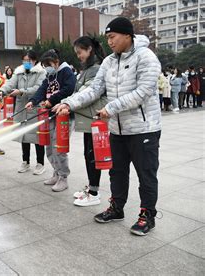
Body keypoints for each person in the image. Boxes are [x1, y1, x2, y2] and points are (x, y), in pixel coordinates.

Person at [54, 17, 162, 236]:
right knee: (117, 172)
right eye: (108, 38)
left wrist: (111, 108)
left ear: (127, 35)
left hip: (143, 129)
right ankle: (116, 208)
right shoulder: (109, 61)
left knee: (146, 174)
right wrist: (69, 103)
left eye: (112, 37)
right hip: (116, 129)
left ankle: (147, 215)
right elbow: (94, 89)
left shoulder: (146, 57)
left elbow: (143, 92)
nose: (110, 42)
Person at [25, 49, 76, 192]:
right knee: (49, 147)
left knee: (58, 148)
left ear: (56, 62)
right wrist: (33, 100)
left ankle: (63, 177)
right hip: (50, 115)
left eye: (48, 64)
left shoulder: (66, 72)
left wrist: (51, 100)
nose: (46, 67)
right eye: (44, 65)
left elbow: (68, 89)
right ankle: (56, 172)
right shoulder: (50, 75)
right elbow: (43, 88)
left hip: (64, 116)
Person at [69, 36, 109, 206]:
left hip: (94, 118)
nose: (78, 56)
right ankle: (92, 187)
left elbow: (87, 93)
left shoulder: (96, 69)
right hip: (88, 119)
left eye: (80, 52)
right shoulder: (88, 68)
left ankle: (93, 193)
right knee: (89, 154)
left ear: (89, 50)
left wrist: (67, 103)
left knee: (93, 156)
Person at [0, 50, 46, 175]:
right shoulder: (18, 72)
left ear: (35, 60)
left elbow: (38, 88)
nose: (26, 63)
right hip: (21, 108)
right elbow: (10, 84)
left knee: (36, 136)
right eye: (24, 61)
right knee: (23, 136)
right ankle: (25, 161)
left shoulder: (41, 72)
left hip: (34, 108)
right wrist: (2, 91)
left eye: (29, 61)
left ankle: (40, 163)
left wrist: (21, 91)